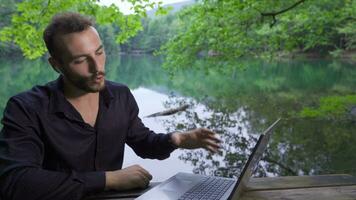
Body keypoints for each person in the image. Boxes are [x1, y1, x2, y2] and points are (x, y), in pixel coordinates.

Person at [0, 12, 221, 200]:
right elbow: (15, 182)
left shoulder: (120, 95)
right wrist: (110, 179)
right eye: (80, 60)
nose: (97, 67)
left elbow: (143, 142)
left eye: (99, 52)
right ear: (56, 65)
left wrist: (177, 139)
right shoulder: (25, 108)